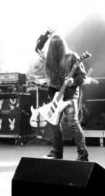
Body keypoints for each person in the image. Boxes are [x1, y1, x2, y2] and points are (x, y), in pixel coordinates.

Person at [36, 31, 89, 161]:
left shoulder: (72, 57)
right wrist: (45, 36)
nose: (55, 49)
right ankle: (57, 152)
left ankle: (83, 154)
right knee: (54, 124)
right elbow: (38, 49)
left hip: (69, 95)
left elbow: (82, 76)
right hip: (55, 95)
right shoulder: (49, 58)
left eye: (57, 46)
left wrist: (73, 81)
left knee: (73, 123)